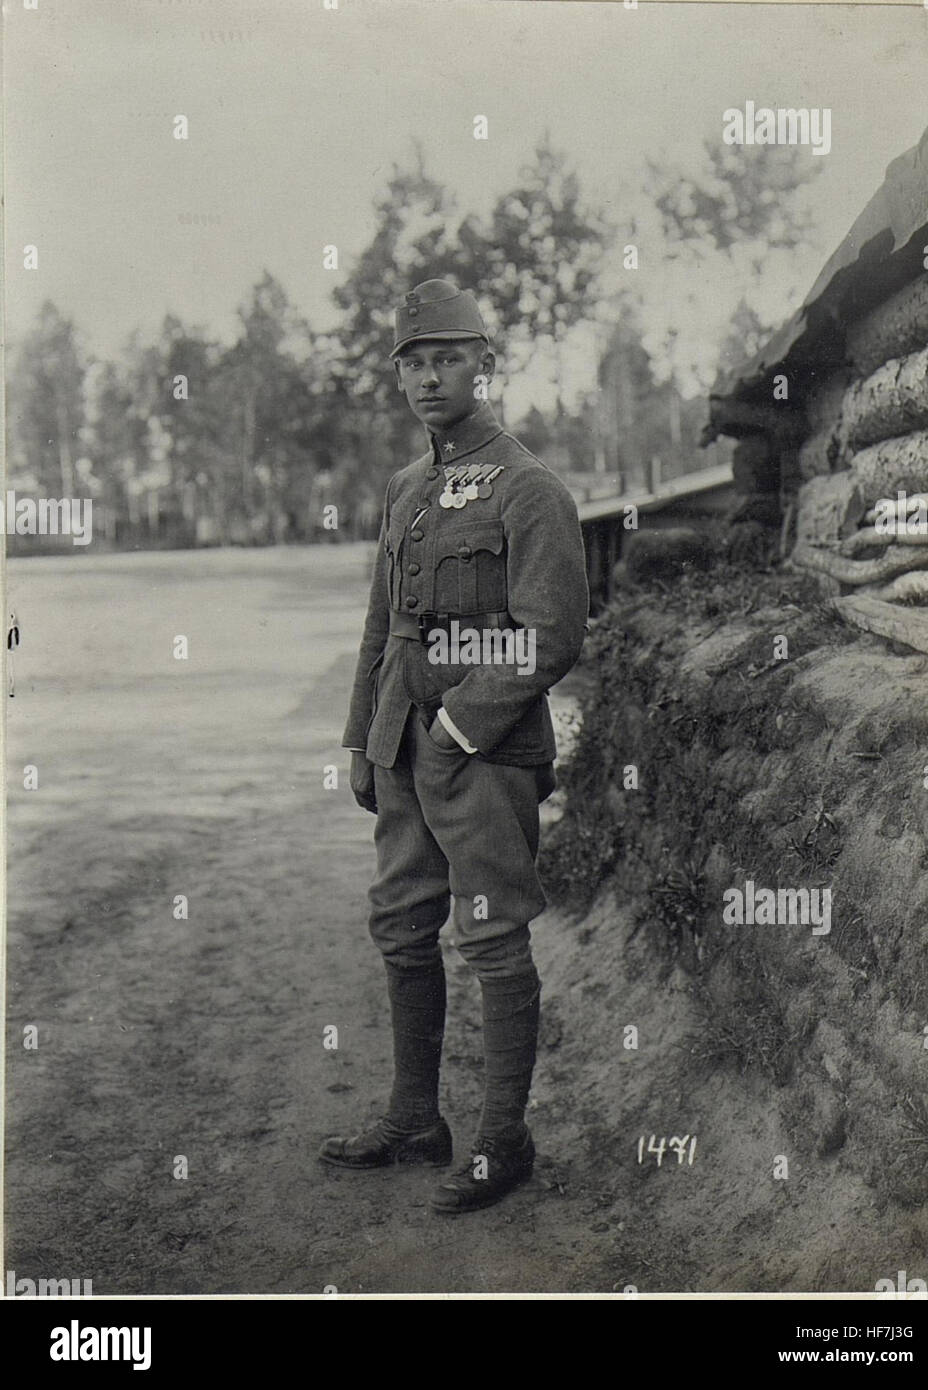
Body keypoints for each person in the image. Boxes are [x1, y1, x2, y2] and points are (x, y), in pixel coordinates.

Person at [320, 278, 589, 1213]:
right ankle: (414, 1117)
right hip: (403, 746)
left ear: (484, 364)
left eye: (447, 358)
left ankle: (501, 1139)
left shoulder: (529, 488)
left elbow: (549, 634)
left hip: (483, 751)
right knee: (401, 924)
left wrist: (456, 729)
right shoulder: (407, 488)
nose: (429, 378)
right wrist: (364, 739)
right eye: (413, 363)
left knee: (488, 934)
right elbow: (380, 625)